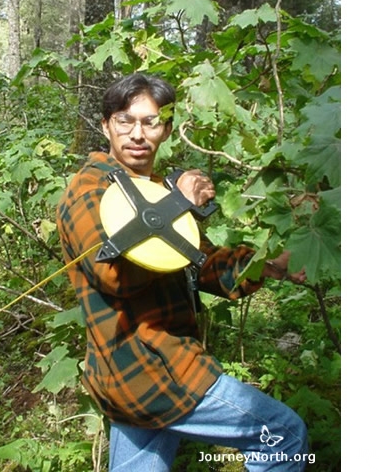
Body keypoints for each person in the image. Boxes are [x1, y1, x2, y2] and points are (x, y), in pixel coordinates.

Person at [56, 73, 309, 471]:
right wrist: (178, 203)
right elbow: (114, 275)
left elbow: (203, 265)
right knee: (283, 435)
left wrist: (269, 261)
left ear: (167, 129)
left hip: (135, 378)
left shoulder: (150, 187)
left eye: (150, 122)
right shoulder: (89, 190)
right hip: (153, 371)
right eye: (125, 120)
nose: (137, 133)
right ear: (106, 125)